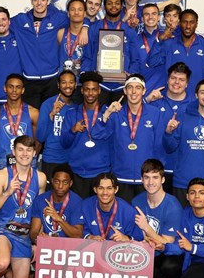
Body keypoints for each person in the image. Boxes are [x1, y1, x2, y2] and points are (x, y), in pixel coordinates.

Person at [0, 0, 88, 109]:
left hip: (51, 79)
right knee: (31, 117)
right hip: (29, 80)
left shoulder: (57, 18)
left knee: (51, 115)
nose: (39, 3)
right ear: (31, 1)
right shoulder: (20, 20)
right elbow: (1, 25)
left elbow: (78, 17)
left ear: (48, 1)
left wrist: (85, 28)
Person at [0, 135, 47, 278]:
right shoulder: (2, 175)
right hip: (3, 230)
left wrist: (36, 240)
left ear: (34, 153)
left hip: (24, 234)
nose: (24, 154)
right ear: (13, 152)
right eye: (20, 150)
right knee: (2, 263)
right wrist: (7, 192)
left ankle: (4, 272)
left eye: (28, 150)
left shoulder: (40, 178)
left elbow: (39, 212)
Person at [91, 74, 166, 202]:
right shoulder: (116, 113)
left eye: (138, 87)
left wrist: (156, 176)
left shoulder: (155, 113)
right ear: (125, 91)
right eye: (130, 87)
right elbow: (96, 134)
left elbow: (159, 146)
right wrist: (107, 113)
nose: (133, 91)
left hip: (146, 179)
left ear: (144, 91)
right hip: (121, 177)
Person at [163, 79, 204, 207]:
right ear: (196, 95)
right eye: (203, 92)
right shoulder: (182, 118)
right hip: (182, 184)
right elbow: (169, 148)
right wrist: (168, 133)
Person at [132, 159, 184, 278]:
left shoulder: (173, 206)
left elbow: (166, 242)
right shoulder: (137, 201)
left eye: (155, 177)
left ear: (163, 179)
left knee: (170, 266)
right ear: (141, 180)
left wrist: (147, 228)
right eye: (147, 177)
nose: (150, 182)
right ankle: (157, 277)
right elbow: (136, 234)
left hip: (168, 254)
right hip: (147, 251)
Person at [81, 0, 141, 104]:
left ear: (121, 6)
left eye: (117, 3)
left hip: (121, 86)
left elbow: (135, 59)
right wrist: (89, 77)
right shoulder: (94, 28)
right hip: (99, 86)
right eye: (109, 3)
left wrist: (129, 76)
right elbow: (87, 56)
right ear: (104, 7)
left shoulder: (129, 31)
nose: (113, 6)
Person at [60, 71, 111, 198]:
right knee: (78, 209)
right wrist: (72, 130)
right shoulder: (72, 113)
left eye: (94, 89)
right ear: (82, 90)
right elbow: (64, 143)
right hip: (77, 172)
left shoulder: (108, 113)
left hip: (101, 172)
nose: (90, 93)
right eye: (87, 89)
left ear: (99, 91)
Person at [145, 62, 192, 190]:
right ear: (167, 80)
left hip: (182, 169)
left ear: (187, 83)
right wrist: (146, 100)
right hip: (156, 168)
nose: (176, 82)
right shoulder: (154, 101)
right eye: (173, 78)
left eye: (181, 79)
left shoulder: (194, 105)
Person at [147, 9, 204, 98]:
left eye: (192, 22)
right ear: (179, 23)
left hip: (196, 99)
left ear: (196, 24)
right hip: (173, 97)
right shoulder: (169, 44)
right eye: (185, 22)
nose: (188, 26)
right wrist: (159, 40)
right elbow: (152, 62)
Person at [0, 73, 39, 170]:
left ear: (23, 90)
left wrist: (30, 156)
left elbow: (38, 141)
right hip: (3, 160)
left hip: (27, 159)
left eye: (18, 87)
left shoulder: (33, 113)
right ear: (5, 88)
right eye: (10, 86)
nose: (14, 90)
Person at [36, 70, 76, 181]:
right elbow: (40, 137)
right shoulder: (48, 104)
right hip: (51, 159)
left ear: (75, 85)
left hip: (69, 160)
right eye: (63, 82)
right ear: (58, 85)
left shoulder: (75, 108)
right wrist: (51, 114)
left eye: (71, 82)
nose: (67, 86)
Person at [80, 173, 143, 242]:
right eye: (100, 188)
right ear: (95, 189)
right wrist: (89, 237)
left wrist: (126, 238)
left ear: (116, 189)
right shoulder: (85, 206)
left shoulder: (129, 212)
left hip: (119, 248)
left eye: (109, 188)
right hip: (93, 247)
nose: (105, 192)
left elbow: (139, 238)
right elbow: (78, 231)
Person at [30, 164, 84, 239]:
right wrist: (40, 238)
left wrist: (58, 218)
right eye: (57, 182)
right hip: (47, 244)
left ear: (70, 183)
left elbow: (78, 235)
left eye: (65, 182)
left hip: (68, 245)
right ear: (52, 181)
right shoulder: (40, 200)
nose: (60, 186)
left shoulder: (77, 202)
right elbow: (33, 232)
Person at [134, 3, 168, 95]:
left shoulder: (167, 37)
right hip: (141, 90)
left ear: (159, 17)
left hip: (163, 89)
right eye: (147, 14)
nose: (150, 17)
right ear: (142, 19)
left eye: (154, 14)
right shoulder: (135, 39)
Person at [57, 0, 87, 77]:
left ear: (85, 13)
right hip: (64, 79)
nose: (76, 12)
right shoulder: (60, 33)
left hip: (83, 80)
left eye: (80, 10)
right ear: (68, 13)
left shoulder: (89, 33)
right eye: (73, 9)